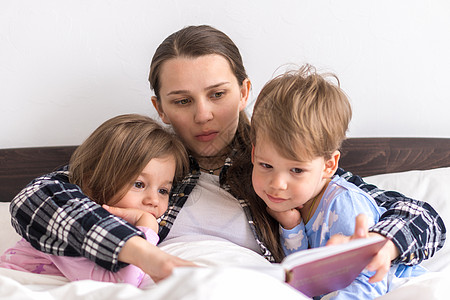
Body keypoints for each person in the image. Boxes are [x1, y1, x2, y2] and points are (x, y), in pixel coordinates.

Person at [9, 25, 445, 284]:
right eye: (181, 101)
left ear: (244, 91)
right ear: (159, 108)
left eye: (217, 94)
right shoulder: (148, 165)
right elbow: (36, 198)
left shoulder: (283, 166)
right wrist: (137, 251)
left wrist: (381, 244)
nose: (204, 115)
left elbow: (420, 215)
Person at [250, 65, 427, 299]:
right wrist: (291, 226)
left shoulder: (344, 205)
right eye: (266, 165)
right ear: (253, 154)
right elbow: (307, 277)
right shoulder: (299, 203)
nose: (277, 183)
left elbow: (368, 281)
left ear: (329, 166)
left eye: (296, 170)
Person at [1, 114, 194, 286]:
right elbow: (122, 281)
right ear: (91, 183)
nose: (153, 200)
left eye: (163, 190)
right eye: (138, 184)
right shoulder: (75, 225)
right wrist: (148, 227)